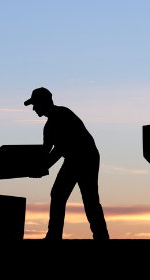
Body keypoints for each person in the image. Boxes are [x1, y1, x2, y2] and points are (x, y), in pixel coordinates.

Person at [24, 87, 109, 240]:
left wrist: (42, 168)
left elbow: (59, 149)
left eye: (35, 104)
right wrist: (33, 167)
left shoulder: (63, 114)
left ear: (44, 102)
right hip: (73, 159)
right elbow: (45, 151)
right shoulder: (49, 126)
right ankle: (55, 235)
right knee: (59, 194)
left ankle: (99, 235)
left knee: (88, 197)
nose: (34, 108)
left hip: (86, 158)